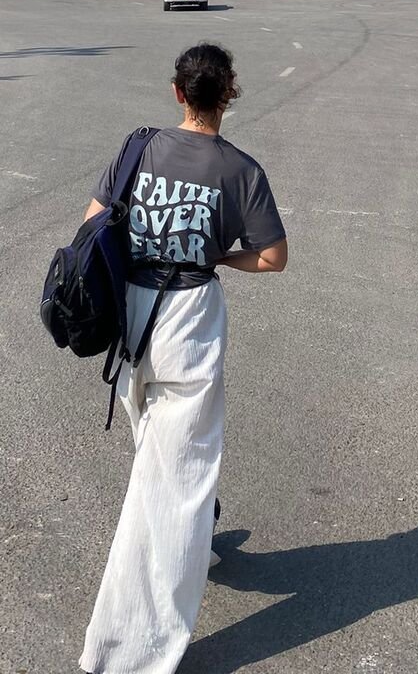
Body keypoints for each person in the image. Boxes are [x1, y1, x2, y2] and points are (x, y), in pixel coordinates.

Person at [80, 43, 288, 674]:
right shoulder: (241, 170)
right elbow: (274, 257)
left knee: (161, 451)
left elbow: (92, 222)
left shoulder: (137, 148)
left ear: (178, 93)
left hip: (132, 316)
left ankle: (199, 529)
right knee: (167, 484)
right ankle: (125, 652)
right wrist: (220, 256)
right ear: (228, 94)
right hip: (189, 318)